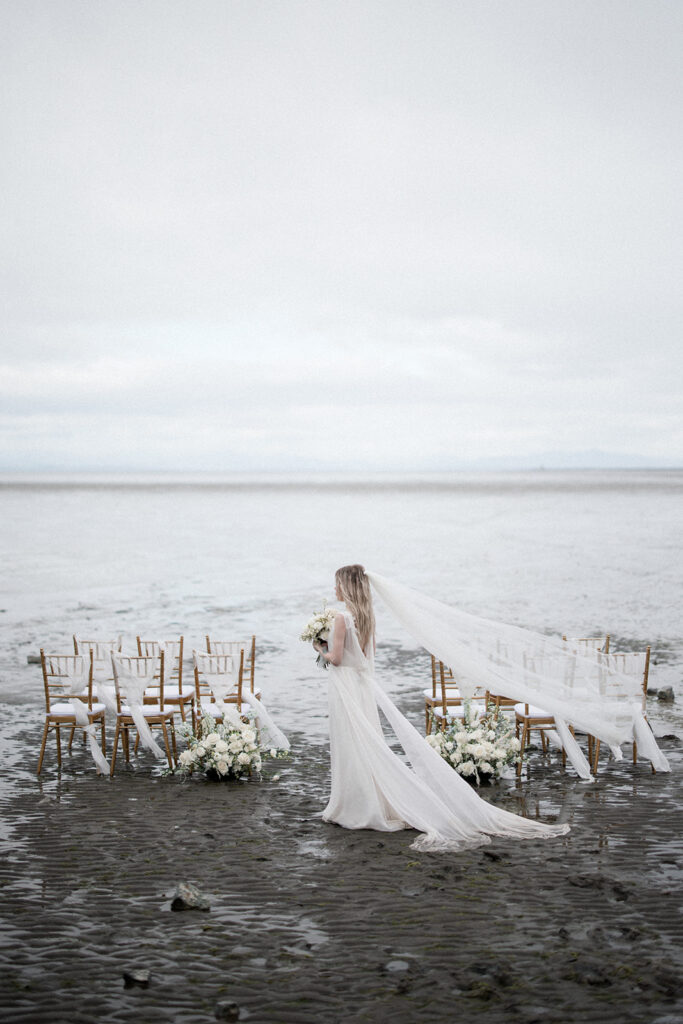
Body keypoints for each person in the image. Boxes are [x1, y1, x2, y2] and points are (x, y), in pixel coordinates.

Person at [313, 564, 569, 852]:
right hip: (360, 687)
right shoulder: (366, 617)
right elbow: (367, 657)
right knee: (366, 744)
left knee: (351, 744)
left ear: (346, 586)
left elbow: (335, 659)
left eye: (337, 584)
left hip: (345, 688)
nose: (334, 589)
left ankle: (354, 807)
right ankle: (369, 802)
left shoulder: (340, 617)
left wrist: (317, 646)